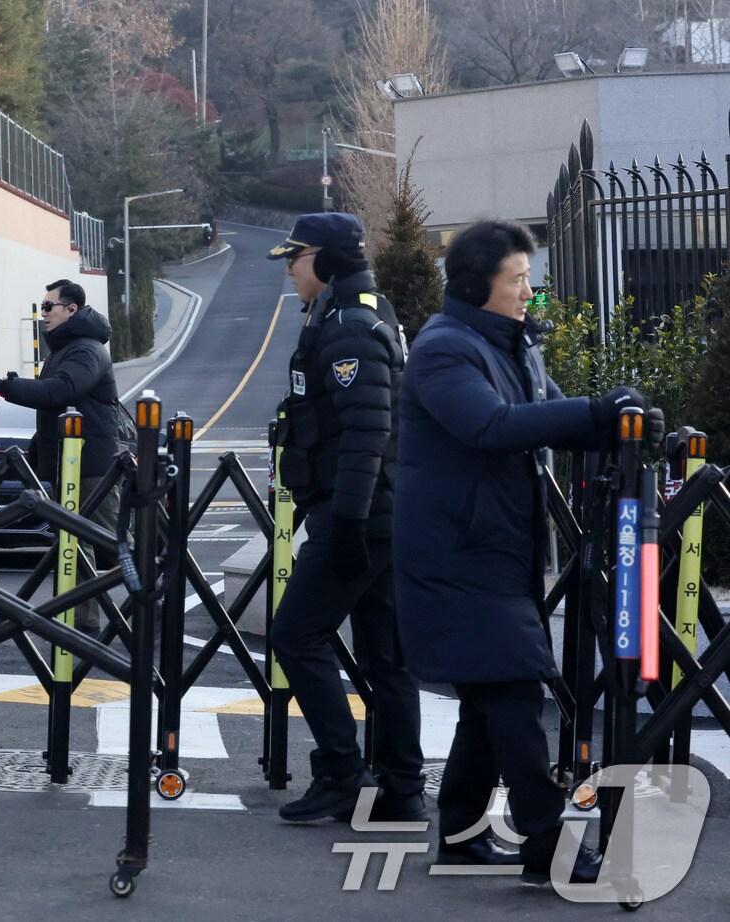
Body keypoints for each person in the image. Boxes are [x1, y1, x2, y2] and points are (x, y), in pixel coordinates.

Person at [394, 220, 638, 882]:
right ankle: (547, 846)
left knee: (489, 695)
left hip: (499, 551)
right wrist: (597, 410)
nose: (530, 291)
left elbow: (554, 419)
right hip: (455, 555)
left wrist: (620, 424)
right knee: (513, 690)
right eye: (519, 279)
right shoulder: (443, 350)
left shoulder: (513, 346)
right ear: (478, 287)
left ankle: (461, 834)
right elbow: (491, 425)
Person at [266, 212, 425, 824]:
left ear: (327, 261)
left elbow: (367, 434)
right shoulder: (354, 314)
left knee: (295, 636)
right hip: (379, 513)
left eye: (297, 256)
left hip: (356, 514)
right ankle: (401, 788)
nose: (289, 268)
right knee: (386, 657)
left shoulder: (349, 328)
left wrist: (349, 525)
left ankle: (341, 773)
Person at [0, 279, 122, 634]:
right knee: (75, 540)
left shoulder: (85, 350)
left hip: (88, 464)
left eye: (48, 306)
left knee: (108, 542)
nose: (43, 314)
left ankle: (152, 598)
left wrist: (2, 387)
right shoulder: (65, 349)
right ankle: (81, 620)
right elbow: (55, 403)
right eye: (41, 307)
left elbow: (59, 391)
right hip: (69, 462)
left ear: (71, 309)